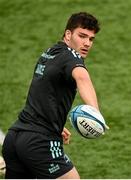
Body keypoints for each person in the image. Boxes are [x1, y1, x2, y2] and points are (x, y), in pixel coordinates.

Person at [2, 12, 108, 179]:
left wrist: (54, 123)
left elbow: (42, 89)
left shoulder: (50, 53)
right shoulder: (71, 56)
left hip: (15, 137)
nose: (87, 43)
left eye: (91, 39)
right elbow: (82, 78)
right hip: (39, 142)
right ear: (68, 34)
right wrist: (95, 114)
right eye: (82, 36)